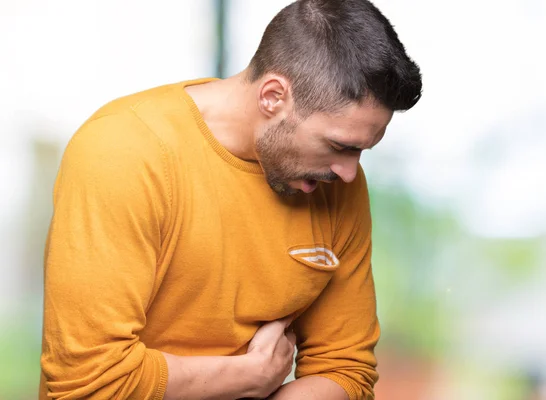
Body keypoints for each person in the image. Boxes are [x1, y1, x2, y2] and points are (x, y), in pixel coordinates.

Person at [39, 0, 422, 398]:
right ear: (273, 96)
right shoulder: (124, 152)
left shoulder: (336, 182)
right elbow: (90, 382)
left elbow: (345, 369)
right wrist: (250, 375)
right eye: (339, 145)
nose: (349, 172)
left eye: (362, 150)